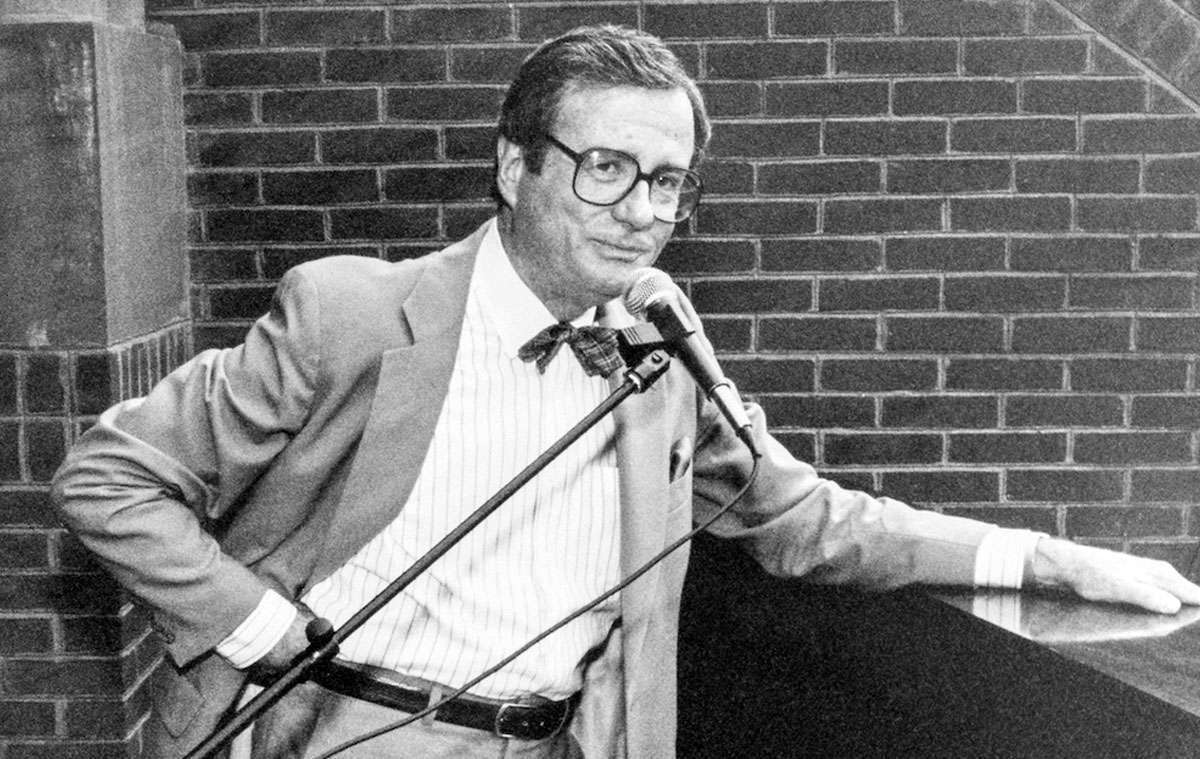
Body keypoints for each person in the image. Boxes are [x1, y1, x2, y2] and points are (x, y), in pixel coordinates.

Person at [51, 24, 1200, 759]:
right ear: (517, 166)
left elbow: (801, 520)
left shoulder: (658, 333)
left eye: (668, 181)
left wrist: (1042, 559)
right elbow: (108, 475)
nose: (642, 210)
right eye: (606, 168)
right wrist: (256, 630)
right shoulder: (353, 313)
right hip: (351, 730)